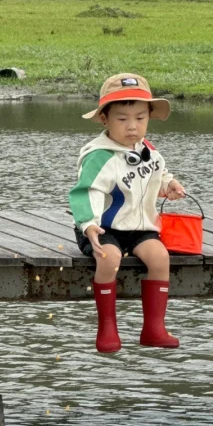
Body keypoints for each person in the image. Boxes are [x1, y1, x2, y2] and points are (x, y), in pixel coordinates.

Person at [70, 73, 186, 354]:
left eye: (140, 118)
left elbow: (156, 177)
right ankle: (107, 327)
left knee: (160, 256)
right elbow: (86, 192)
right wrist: (89, 225)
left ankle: (154, 328)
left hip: (139, 226)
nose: (132, 127)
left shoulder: (148, 150)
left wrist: (169, 185)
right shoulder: (100, 156)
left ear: (149, 117)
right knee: (109, 258)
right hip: (103, 229)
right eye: (122, 119)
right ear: (104, 119)